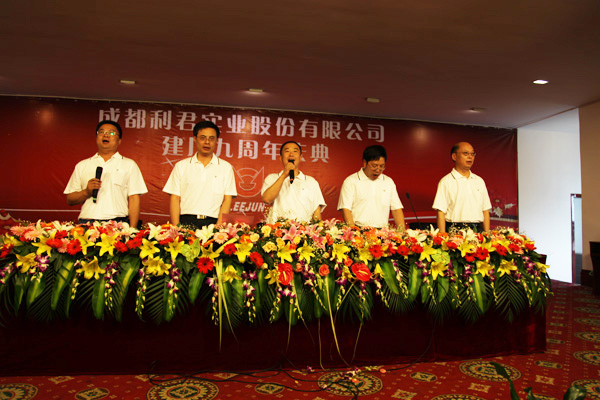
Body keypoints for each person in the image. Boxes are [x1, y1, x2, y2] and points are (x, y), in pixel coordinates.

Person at [64, 120, 147, 227]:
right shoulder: (82, 165)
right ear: (96, 137)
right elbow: (70, 199)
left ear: (119, 141)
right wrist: (87, 192)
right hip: (87, 222)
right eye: (101, 132)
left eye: (111, 133)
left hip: (118, 223)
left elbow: (134, 198)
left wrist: (132, 229)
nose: (106, 135)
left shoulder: (129, 164)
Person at [163, 121, 237, 229]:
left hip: (213, 222)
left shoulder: (226, 167)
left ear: (217, 141)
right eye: (202, 138)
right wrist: (177, 227)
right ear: (195, 139)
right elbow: (175, 198)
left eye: (211, 138)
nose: (207, 142)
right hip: (186, 221)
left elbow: (227, 199)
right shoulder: (181, 166)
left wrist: (218, 228)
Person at [337, 145, 405, 229]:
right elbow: (345, 209)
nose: (378, 170)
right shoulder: (351, 181)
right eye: (374, 166)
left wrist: (402, 232)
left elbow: (396, 209)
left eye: (381, 166)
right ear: (365, 163)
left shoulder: (388, 182)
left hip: (383, 232)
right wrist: (353, 231)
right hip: (359, 229)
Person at [432, 142, 492, 233]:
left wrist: (487, 233)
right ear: (454, 156)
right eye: (465, 153)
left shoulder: (479, 181)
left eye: (472, 154)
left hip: (477, 230)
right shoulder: (446, 181)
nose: (470, 157)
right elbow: (441, 212)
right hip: (455, 230)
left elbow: (485, 210)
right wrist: (442, 235)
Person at [261, 141, 325, 223]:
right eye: (287, 151)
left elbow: (316, 211)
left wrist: (317, 228)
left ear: (300, 157)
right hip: (277, 229)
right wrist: (284, 175)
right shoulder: (272, 178)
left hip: (303, 229)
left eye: (295, 151)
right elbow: (267, 199)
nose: (291, 154)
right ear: (281, 158)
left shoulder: (311, 182)